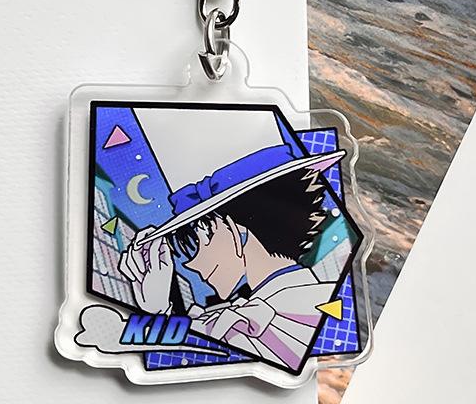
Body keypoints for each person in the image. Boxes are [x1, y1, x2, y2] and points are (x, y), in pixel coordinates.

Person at [118, 145, 342, 371]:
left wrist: (155, 312)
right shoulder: (319, 300)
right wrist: (157, 308)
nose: (191, 265)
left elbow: (177, 365)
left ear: (236, 233)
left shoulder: (251, 328)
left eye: (200, 240)